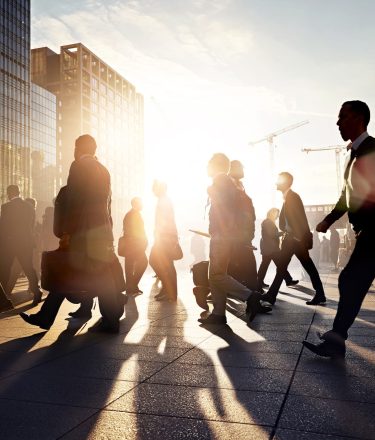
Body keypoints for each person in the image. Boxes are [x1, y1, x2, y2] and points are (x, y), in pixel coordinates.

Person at [20, 134, 126, 333]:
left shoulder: (78, 166)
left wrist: (67, 231)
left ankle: (46, 317)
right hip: (101, 231)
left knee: (66, 273)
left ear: (79, 148)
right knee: (99, 277)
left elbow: (74, 202)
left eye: (75, 147)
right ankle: (110, 320)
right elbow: (107, 205)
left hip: (83, 232)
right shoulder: (104, 170)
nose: (74, 151)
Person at [304, 100, 375, 359]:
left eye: (342, 117)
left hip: (373, 232)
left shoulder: (372, 149)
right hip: (366, 231)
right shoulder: (352, 154)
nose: (337, 123)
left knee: (350, 280)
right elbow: (347, 196)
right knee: (351, 281)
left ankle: (336, 339)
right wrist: (327, 220)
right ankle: (336, 338)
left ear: (359, 118)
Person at [198, 153, 271, 325]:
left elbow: (225, 210)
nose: (206, 166)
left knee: (216, 275)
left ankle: (250, 296)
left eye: (209, 163)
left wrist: (220, 231)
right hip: (224, 235)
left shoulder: (221, 181)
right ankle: (218, 313)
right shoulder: (226, 182)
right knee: (216, 274)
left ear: (216, 165)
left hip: (222, 236)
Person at [262, 172, 326, 306]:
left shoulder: (293, 197)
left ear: (285, 183)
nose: (276, 183)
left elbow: (300, 219)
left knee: (299, 266)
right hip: (292, 240)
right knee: (288, 266)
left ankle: (272, 295)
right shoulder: (288, 198)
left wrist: (297, 238)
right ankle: (272, 295)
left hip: (294, 240)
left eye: (278, 180)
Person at [0, 185, 43, 307]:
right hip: (25, 243)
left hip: (10, 243)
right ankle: (36, 291)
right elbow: (31, 225)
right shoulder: (29, 207)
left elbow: (3, 227)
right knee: (29, 268)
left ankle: (2, 297)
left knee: (5, 269)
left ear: (9, 193)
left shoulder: (6, 207)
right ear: (19, 192)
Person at [227, 160, 258, 291]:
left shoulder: (239, 185)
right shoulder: (229, 185)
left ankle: (252, 291)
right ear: (234, 168)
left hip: (243, 235)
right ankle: (253, 293)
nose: (243, 172)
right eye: (241, 168)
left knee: (238, 266)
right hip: (236, 235)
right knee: (245, 264)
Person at [149, 180, 179, 302]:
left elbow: (166, 221)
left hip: (165, 237)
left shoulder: (164, 201)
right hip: (165, 236)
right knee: (165, 264)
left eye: (154, 188)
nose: (153, 191)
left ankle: (170, 291)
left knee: (156, 261)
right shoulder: (163, 200)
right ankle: (168, 289)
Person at [257, 208, 299, 291]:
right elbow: (272, 234)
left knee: (265, 266)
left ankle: (259, 282)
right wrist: (283, 233)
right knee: (280, 265)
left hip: (268, 248)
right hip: (271, 249)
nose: (277, 216)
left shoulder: (268, 222)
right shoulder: (268, 222)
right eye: (277, 214)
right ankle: (288, 280)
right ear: (272, 214)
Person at [122, 197, 148, 295]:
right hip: (134, 246)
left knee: (130, 266)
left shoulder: (133, 214)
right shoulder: (132, 214)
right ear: (135, 204)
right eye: (140, 203)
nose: (142, 205)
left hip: (133, 245)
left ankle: (131, 287)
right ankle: (132, 286)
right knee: (142, 263)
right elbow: (133, 231)